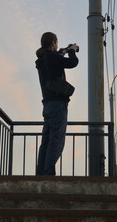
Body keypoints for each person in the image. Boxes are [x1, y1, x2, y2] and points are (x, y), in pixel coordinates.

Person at [35, 32, 79, 175]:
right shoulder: (51, 57)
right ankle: (49, 174)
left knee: (46, 141)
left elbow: (55, 62)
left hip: (47, 105)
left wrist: (63, 52)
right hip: (58, 104)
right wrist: (72, 51)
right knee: (56, 141)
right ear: (53, 42)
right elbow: (73, 63)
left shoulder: (43, 59)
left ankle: (41, 173)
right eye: (57, 42)